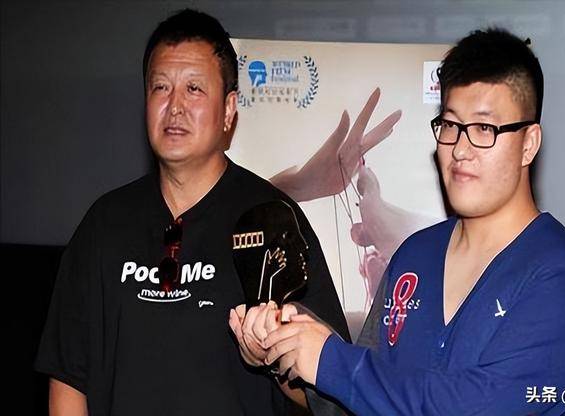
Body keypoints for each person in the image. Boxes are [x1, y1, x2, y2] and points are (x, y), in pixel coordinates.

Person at [238, 28, 565, 415]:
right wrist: (284, 350)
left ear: (528, 143)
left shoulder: (560, 276)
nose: (460, 149)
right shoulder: (415, 254)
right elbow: (354, 403)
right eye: (450, 125)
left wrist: (330, 360)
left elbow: (474, 407)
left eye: (484, 128)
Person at [34, 9, 352, 415]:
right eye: (160, 87)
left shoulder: (271, 219)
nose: (175, 106)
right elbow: (67, 376)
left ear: (229, 108)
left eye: (195, 89)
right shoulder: (104, 224)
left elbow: (329, 390)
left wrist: (272, 355)